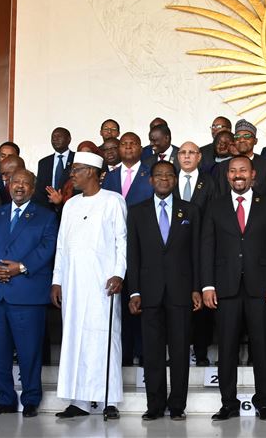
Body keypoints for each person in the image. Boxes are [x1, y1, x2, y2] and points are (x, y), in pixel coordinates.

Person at [201, 156, 266, 422]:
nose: (238, 175)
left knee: (261, 347)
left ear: (253, 174)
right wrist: (208, 285)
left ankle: (263, 402)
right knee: (226, 348)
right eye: (233, 171)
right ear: (227, 176)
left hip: (261, 288)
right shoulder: (214, 207)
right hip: (225, 287)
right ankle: (228, 403)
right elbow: (207, 248)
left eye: (243, 171)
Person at [0, 169, 58, 418]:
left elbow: (47, 247)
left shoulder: (46, 216)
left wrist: (19, 268)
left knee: (29, 351)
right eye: (15, 182)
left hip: (27, 294)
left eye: (25, 183)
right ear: (8, 185)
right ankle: (5, 399)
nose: (19, 186)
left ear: (33, 187)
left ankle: (30, 399)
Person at [50, 152, 126, 419]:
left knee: (105, 338)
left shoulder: (113, 201)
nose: (73, 174)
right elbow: (61, 246)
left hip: (102, 283)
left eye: (77, 169)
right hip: (73, 284)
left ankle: (109, 399)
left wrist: (119, 273)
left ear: (92, 172)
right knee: (74, 340)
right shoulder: (70, 205)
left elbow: (121, 241)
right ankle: (78, 400)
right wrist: (57, 280)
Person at [126, 160, 202, 421]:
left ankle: (177, 406)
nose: (164, 179)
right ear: (151, 180)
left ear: (176, 179)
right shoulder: (136, 212)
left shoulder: (190, 211)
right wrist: (134, 291)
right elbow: (132, 255)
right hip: (148, 292)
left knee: (180, 352)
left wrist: (196, 288)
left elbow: (196, 253)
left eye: (169, 175)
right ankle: (155, 405)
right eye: (159, 175)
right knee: (153, 352)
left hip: (181, 291)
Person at [102, 132, 151, 366]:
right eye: (124, 143)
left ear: (141, 148)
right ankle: (122, 353)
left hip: (144, 248)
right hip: (114, 251)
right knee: (119, 304)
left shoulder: (151, 173)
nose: (128, 146)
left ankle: (142, 352)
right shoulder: (109, 177)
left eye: (133, 143)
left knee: (141, 300)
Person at [173, 141, 216, 366]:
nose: (187, 156)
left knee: (201, 302)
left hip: (202, 247)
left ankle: (201, 353)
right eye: (182, 153)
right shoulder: (169, 181)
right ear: (177, 157)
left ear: (200, 157)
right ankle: (178, 352)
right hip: (174, 251)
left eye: (192, 153)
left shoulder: (209, 182)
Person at [214, 120, 266, 201]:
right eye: (237, 137)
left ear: (255, 141)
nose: (241, 139)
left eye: (246, 136)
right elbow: (218, 196)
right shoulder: (222, 167)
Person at [33, 127, 74, 209]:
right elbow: (40, 189)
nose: (55, 139)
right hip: (48, 208)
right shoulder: (43, 162)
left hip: (70, 207)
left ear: (69, 139)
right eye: (53, 137)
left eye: (59, 136)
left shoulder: (76, 159)